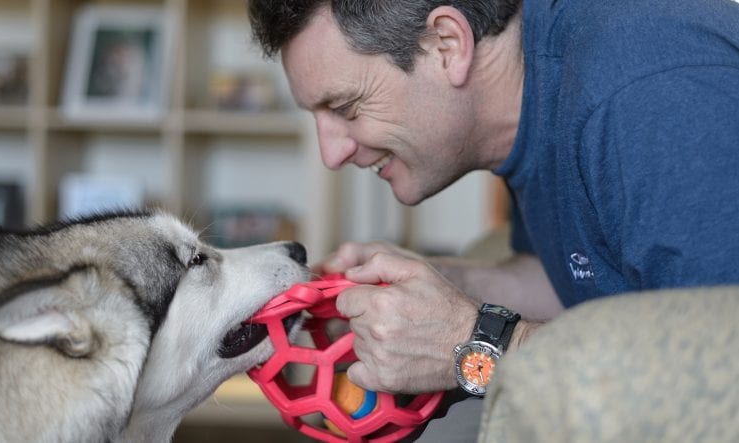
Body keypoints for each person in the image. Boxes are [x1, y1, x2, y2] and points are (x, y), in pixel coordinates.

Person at [247, 0, 739, 440]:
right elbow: (576, 276)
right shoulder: (531, 97)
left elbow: (719, 366)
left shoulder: (646, 92)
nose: (331, 153)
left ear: (447, 44)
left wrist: (474, 343)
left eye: (346, 107)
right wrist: (439, 286)